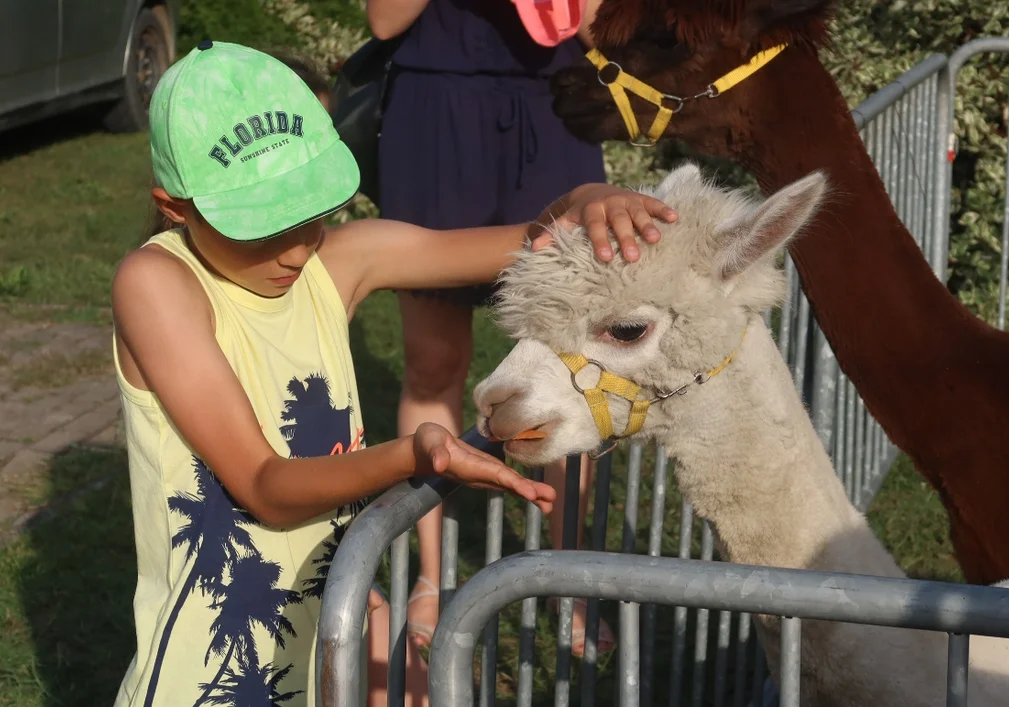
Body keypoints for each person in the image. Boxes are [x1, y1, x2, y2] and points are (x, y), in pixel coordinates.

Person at [110, 40, 674, 706]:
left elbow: (541, 236)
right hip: (210, 676)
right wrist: (413, 453)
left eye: (310, 214)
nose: (295, 248)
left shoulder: (338, 264)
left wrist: (590, 196)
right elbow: (265, 485)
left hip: (329, 642)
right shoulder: (157, 284)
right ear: (176, 207)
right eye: (261, 226)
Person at [365, 0, 616, 657]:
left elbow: (602, 32)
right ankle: (430, 574)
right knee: (434, 360)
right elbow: (384, 21)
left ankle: (569, 579)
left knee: (567, 364)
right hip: (436, 108)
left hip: (555, 106)